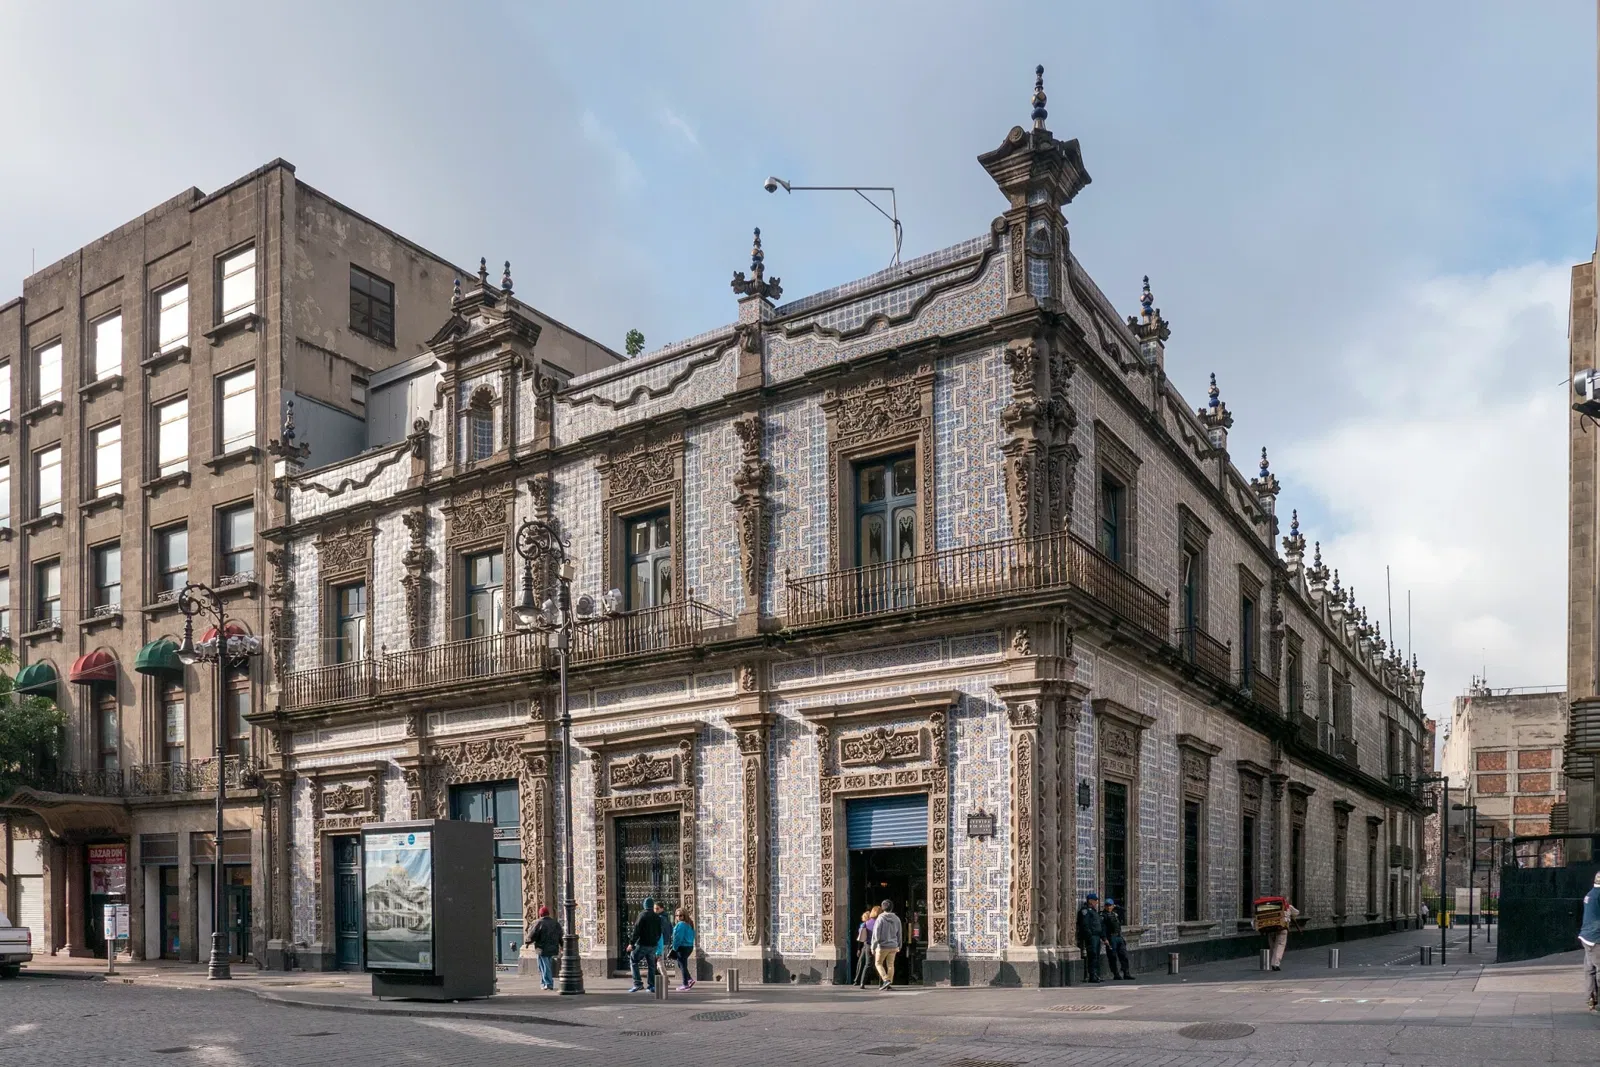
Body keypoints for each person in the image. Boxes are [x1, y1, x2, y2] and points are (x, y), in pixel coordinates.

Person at [626, 896, 666, 993]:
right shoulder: (657, 917)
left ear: (644, 905)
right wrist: (656, 942)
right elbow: (659, 932)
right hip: (653, 945)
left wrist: (631, 943)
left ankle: (638, 984)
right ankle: (651, 985)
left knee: (633, 960)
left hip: (643, 944)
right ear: (652, 905)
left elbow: (636, 930)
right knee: (651, 965)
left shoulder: (642, 915)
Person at [869, 899, 903, 991]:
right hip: (893, 946)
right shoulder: (897, 919)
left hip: (882, 946)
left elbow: (876, 934)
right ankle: (889, 983)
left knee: (878, 963)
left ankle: (885, 979)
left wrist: (873, 946)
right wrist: (899, 945)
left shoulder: (880, 918)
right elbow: (899, 933)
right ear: (892, 908)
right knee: (891, 965)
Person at [528, 905, 562, 991]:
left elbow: (532, 935)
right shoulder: (555, 923)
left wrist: (528, 942)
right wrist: (562, 945)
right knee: (544, 965)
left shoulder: (538, 923)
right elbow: (560, 935)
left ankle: (548, 983)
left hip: (542, 948)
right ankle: (544, 982)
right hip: (553, 947)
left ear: (540, 914)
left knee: (544, 966)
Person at [1581, 871, 1600, 1013]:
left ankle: (1591, 999)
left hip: (1586, 937)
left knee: (1590, 970)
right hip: (1596, 938)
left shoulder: (1591, 894)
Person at [1101, 898, 1133, 981]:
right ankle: (1116, 974)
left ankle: (1126, 973)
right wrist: (1104, 938)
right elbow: (1102, 928)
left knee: (1124, 955)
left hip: (1119, 937)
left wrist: (1116, 906)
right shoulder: (1103, 915)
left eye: (1110, 905)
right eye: (1107, 905)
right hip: (1111, 938)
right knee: (1113, 957)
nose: (1108, 907)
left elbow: (1124, 910)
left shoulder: (1115, 914)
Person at [1076, 892, 1105, 983]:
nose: (1096, 902)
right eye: (1095, 900)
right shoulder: (1085, 911)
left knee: (1096, 956)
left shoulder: (1094, 911)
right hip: (1092, 937)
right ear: (1090, 901)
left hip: (1096, 936)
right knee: (1092, 956)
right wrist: (1089, 935)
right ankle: (1092, 975)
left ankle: (1096, 974)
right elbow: (1084, 924)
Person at [1265, 900, 1300, 971]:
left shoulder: (1269, 907)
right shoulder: (1288, 907)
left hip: (1270, 929)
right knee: (1280, 946)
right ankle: (1275, 964)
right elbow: (1297, 912)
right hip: (1282, 929)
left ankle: (1272, 963)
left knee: (1273, 946)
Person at [670, 907, 697, 991]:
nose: (678, 917)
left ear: (684, 916)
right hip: (689, 947)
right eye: (677, 915)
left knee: (682, 964)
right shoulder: (690, 924)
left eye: (680, 915)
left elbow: (678, 938)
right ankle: (689, 979)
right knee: (681, 964)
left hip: (682, 947)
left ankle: (685, 984)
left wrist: (674, 948)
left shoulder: (681, 924)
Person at [854, 907, 879, 988]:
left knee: (865, 964)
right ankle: (882, 982)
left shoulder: (865, 924)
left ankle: (860, 982)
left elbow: (861, 938)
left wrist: (859, 948)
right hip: (876, 945)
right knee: (879, 964)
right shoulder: (878, 922)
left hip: (866, 945)